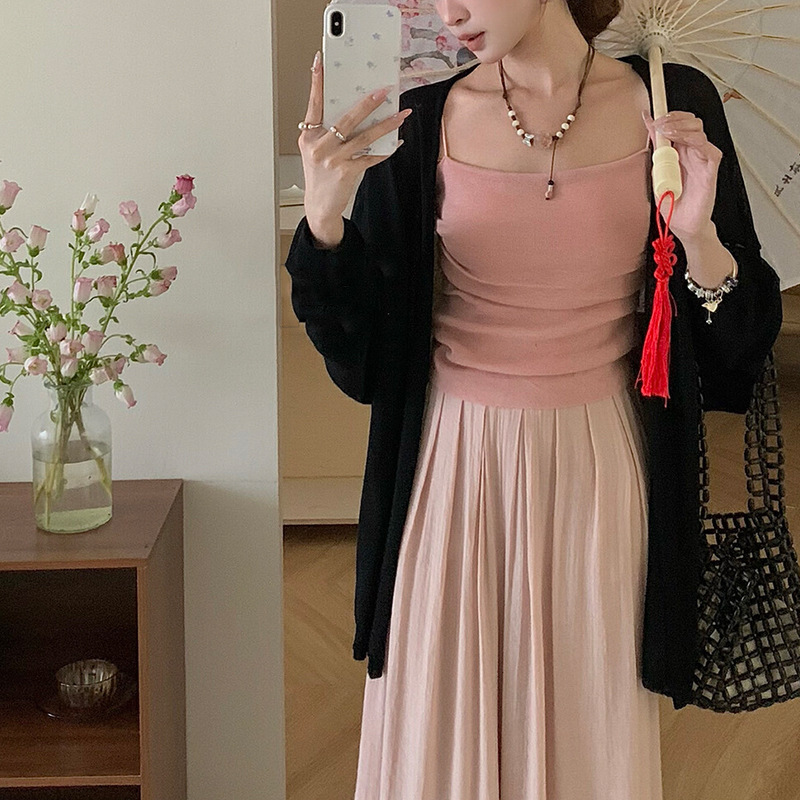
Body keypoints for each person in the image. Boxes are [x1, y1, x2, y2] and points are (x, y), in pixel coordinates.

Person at [285, 0, 784, 797]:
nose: (449, 11)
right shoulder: (419, 117)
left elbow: (736, 358)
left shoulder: (669, 99)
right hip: (453, 474)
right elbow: (367, 368)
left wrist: (699, 238)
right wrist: (325, 223)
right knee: (442, 738)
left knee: (586, 737)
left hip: (603, 474)